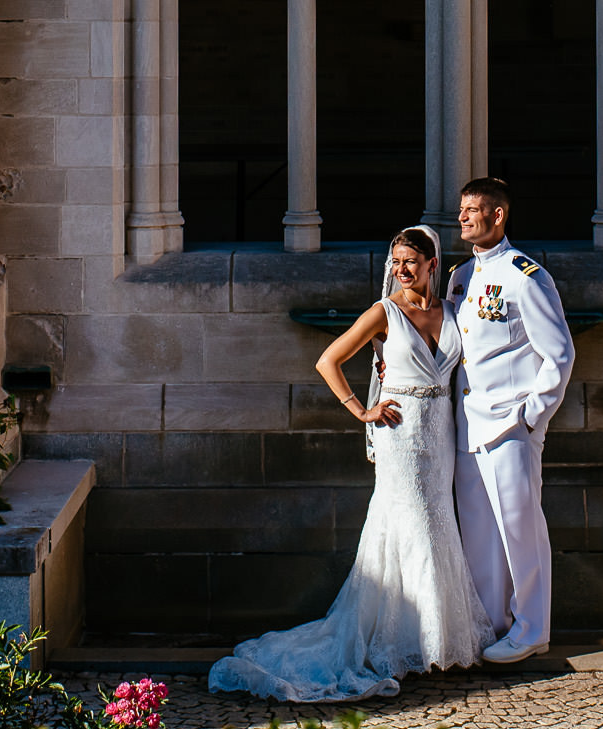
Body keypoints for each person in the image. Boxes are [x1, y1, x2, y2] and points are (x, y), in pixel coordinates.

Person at [207, 226, 491, 701]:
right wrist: (361, 408)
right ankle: (405, 643)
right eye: (396, 262)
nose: (402, 270)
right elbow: (328, 360)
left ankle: (434, 642)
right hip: (400, 432)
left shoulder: (451, 311)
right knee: (409, 525)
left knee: (438, 524)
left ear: (432, 265)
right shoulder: (384, 312)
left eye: (411, 262)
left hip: (439, 433)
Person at [448, 177, 574, 663]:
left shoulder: (526, 276)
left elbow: (559, 354)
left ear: (498, 215)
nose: (462, 218)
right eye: (461, 210)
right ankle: (493, 627)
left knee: (521, 531)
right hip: (468, 423)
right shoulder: (460, 277)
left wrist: (532, 418)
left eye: (472, 210)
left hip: (509, 424)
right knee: (480, 535)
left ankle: (531, 629)